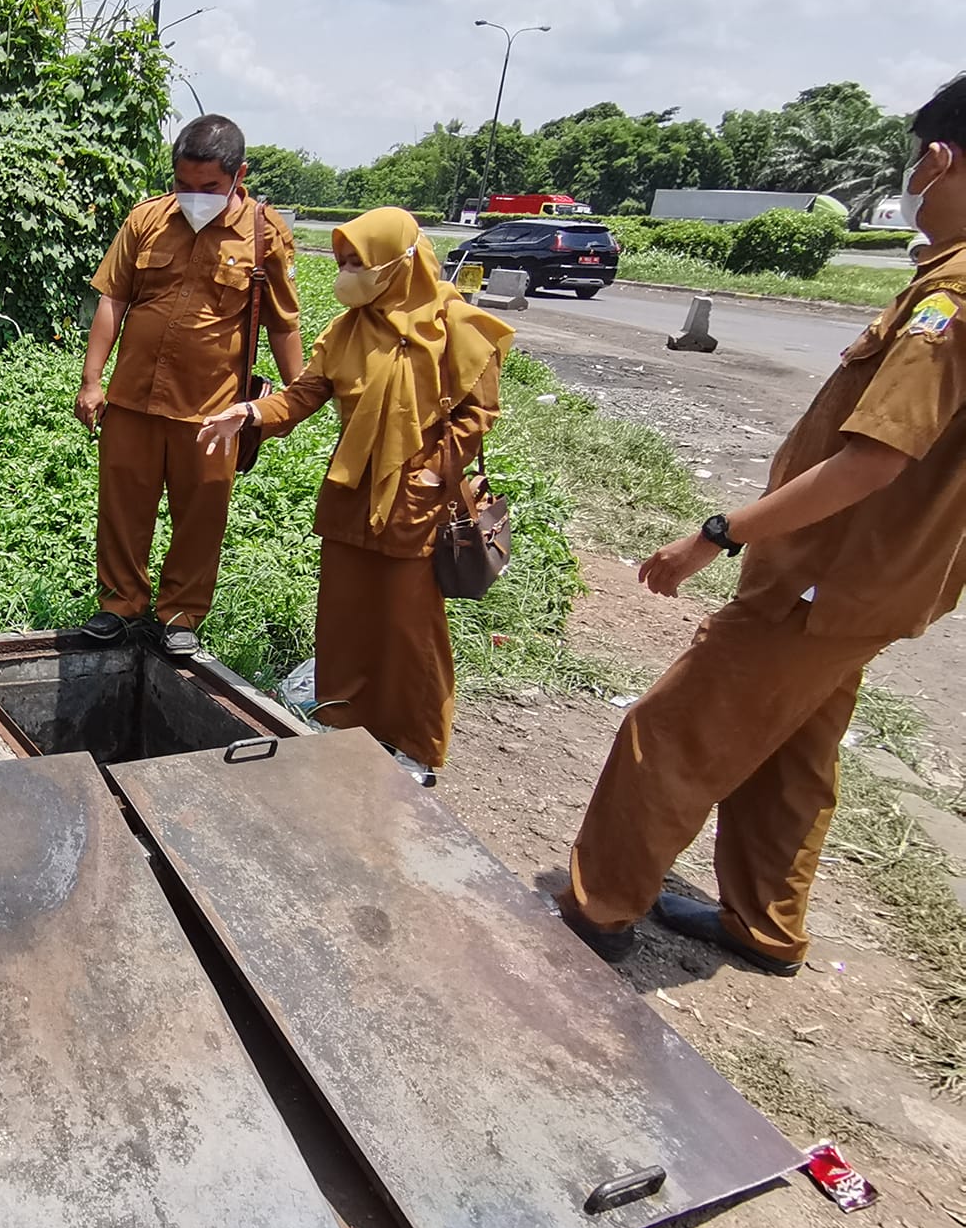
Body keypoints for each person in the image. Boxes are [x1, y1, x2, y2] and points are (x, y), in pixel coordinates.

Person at [556, 71, 966, 976]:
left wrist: (719, 531)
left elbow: (875, 458)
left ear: (938, 158)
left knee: (667, 733)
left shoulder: (950, 298)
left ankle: (596, 913)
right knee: (792, 756)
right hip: (876, 590)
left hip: (821, 585)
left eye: (916, 165)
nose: (913, 183)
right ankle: (764, 923)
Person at [199, 207, 514, 779]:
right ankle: (346, 732)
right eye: (342, 262)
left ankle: (415, 746)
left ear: (398, 264)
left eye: (356, 263)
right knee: (344, 621)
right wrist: (248, 413)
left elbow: (477, 415)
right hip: (350, 497)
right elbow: (301, 397)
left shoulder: (461, 331)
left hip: (413, 504)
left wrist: (432, 473)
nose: (346, 274)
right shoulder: (346, 332)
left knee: (408, 630)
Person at [77, 114, 303, 656]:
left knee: (201, 514)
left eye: (208, 188)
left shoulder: (263, 233)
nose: (193, 197)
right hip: (132, 398)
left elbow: (281, 322)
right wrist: (92, 379)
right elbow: (113, 299)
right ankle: (119, 605)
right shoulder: (147, 220)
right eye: (183, 184)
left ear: (237, 175)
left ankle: (180, 615)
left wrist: (297, 397)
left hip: (211, 408)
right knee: (122, 508)